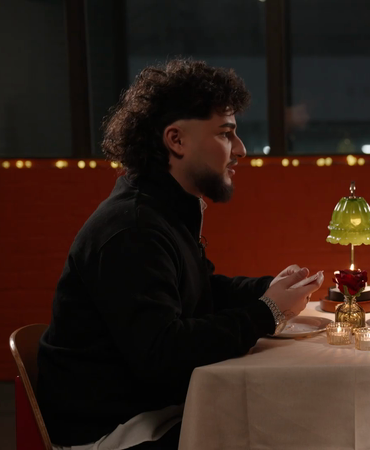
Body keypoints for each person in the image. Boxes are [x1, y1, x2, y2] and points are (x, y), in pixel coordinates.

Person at [36, 59, 323, 449]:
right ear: (176, 140)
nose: (240, 149)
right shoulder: (133, 228)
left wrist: (269, 289)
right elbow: (163, 355)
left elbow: (197, 291)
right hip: (112, 430)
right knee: (290, 429)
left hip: (146, 408)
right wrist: (267, 311)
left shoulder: (162, 208)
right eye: (225, 134)